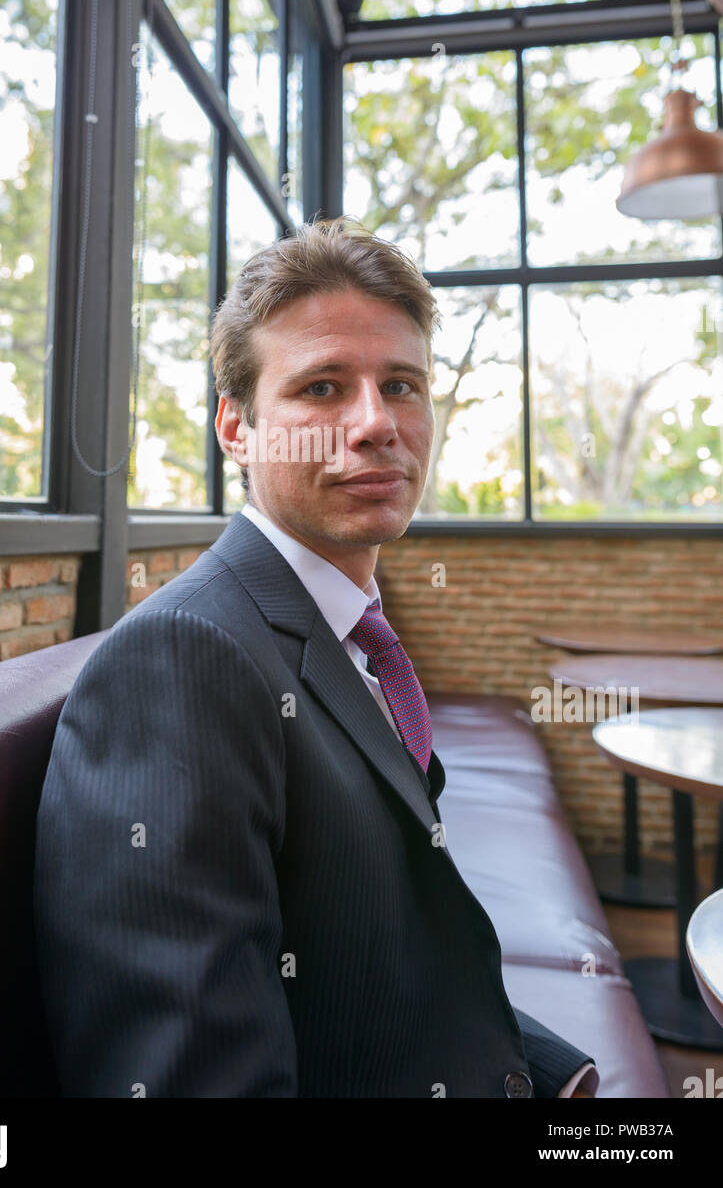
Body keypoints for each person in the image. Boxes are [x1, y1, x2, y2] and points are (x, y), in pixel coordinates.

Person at [33, 217, 599, 1098]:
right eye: (323, 388)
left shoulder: (343, 628)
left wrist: (554, 1077)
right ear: (235, 429)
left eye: (401, 385)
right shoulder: (184, 661)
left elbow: (387, 949)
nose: (375, 423)